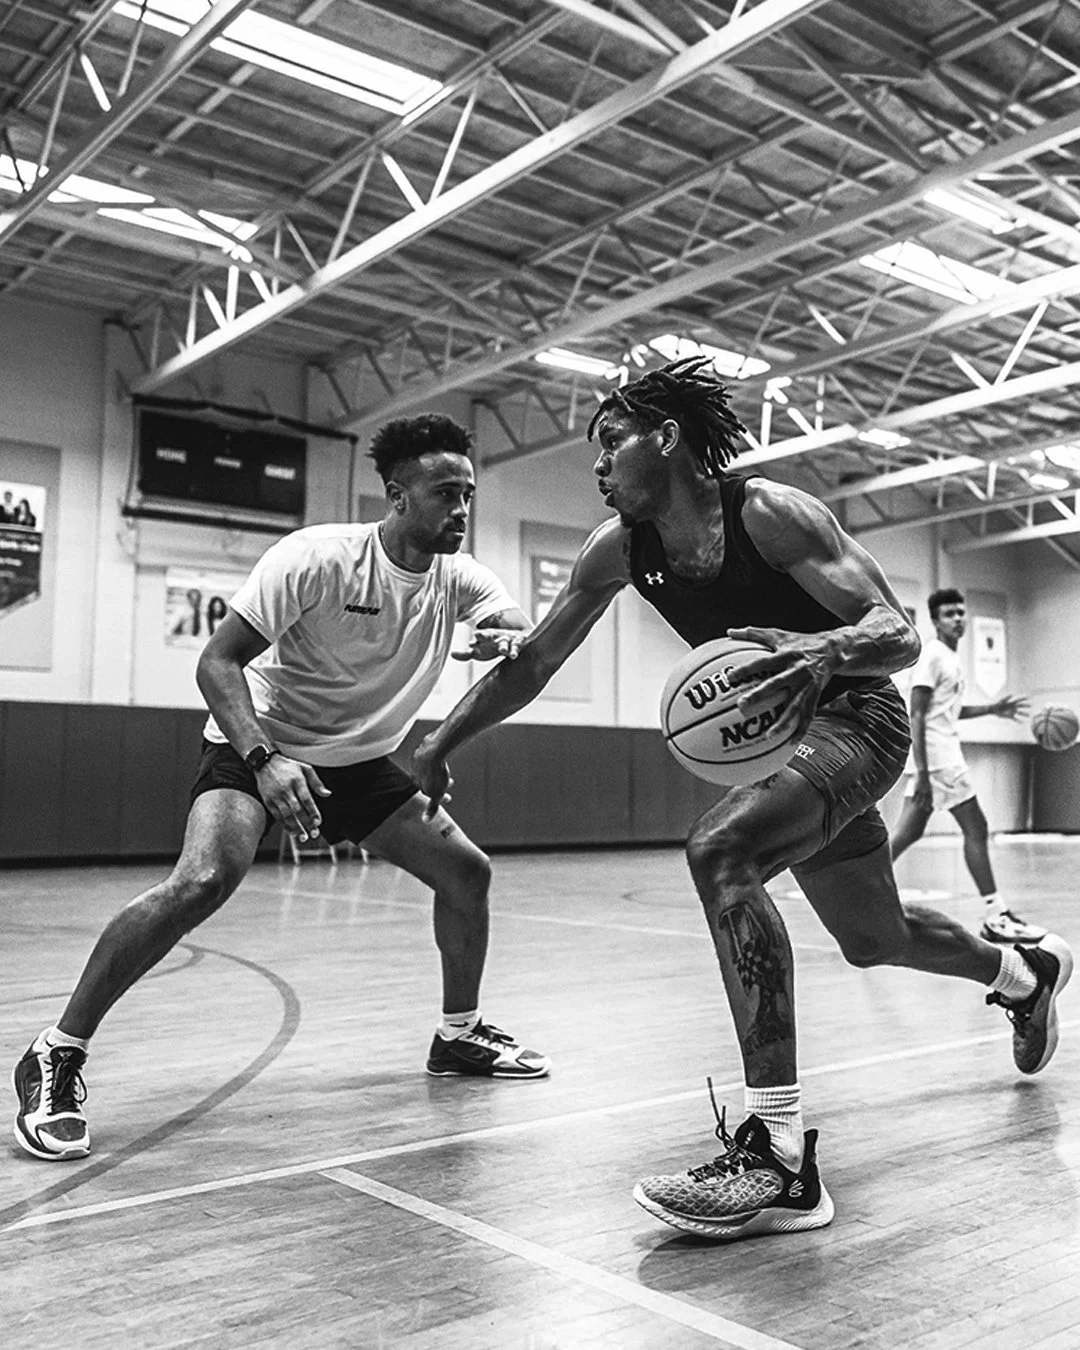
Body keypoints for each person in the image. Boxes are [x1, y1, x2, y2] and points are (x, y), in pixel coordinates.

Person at [412, 358, 1073, 1243]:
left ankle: (780, 1156)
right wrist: (439, 742)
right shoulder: (620, 550)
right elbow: (533, 663)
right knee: (874, 938)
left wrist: (825, 650)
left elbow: (896, 634)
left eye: (612, 443)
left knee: (722, 850)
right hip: (786, 747)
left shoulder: (769, 514)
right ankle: (1024, 976)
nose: (598, 465)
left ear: (667, 438)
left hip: (860, 720)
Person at [13, 413, 549, 1163]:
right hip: (258, 743)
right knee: (204, 879)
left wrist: (505, 638)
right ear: (397, 496)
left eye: (467, 494)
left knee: (466, 873)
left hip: (359, 761)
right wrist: (264, 758)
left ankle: (458, 1036)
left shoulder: (459, 577)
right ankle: (57, 1050)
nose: (460, 509)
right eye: (443, 494)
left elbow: (514, 628)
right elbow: (217, 662)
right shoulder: (318, 558)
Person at [890, 588, 1043, 944]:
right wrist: (923, 773)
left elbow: (948, 711)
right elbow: (917, 714)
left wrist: (993, 709)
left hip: (937, 757)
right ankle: (996, 915)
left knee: (908, 832)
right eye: (949, 614)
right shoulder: (933, 656)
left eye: (961, 612)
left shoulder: (949, 657)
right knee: (977, 828)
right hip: (940, 759)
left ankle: (861, 891)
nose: (958, 619)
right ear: (935, 620)